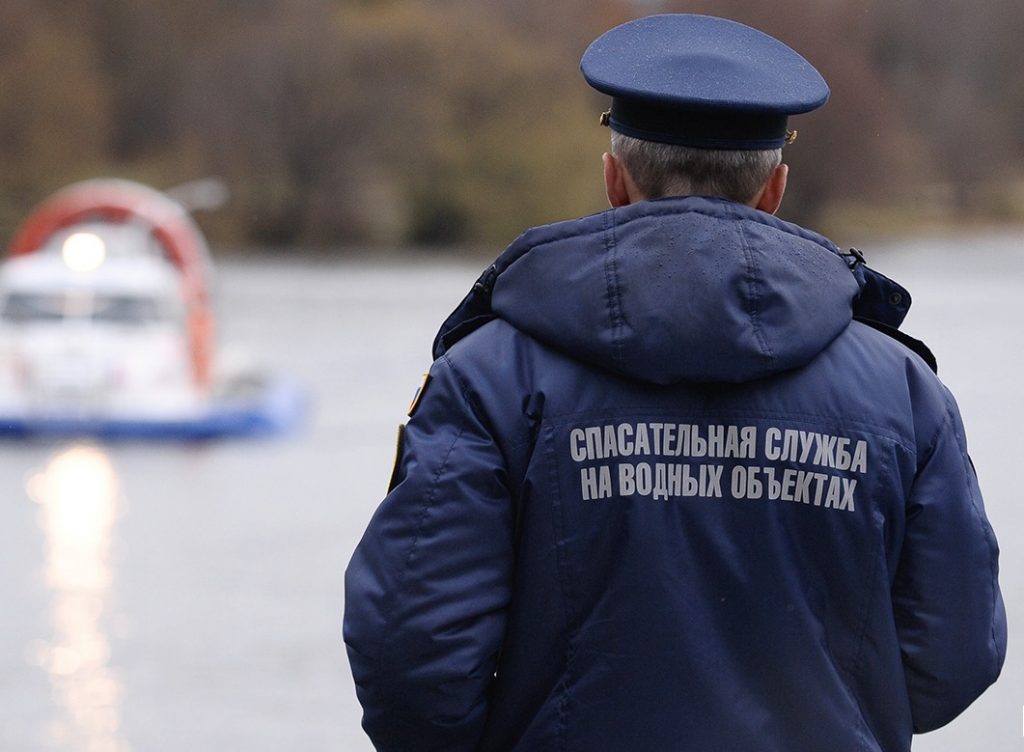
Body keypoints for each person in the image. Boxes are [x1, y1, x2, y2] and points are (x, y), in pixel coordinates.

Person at [344, 14, 1006, 752]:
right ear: (775, 189)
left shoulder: (488, 378)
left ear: (614, 181)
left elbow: (413, 667)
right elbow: (952, 660)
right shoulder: (903, 392)